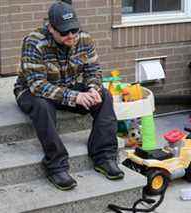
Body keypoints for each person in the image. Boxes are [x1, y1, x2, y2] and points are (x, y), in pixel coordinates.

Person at [13, 1, 124, 191]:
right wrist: (74, 97)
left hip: (68, 87)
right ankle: (56, 165)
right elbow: (37, 85)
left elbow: (94, 70)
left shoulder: (85, 39)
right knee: (42, 105)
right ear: (51, 28)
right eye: (64, 32)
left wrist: (92, 89)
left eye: (74, 30)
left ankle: (104, 156)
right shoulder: (33, 43)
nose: (71, 36)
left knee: (104, 95)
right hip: (33, 92)